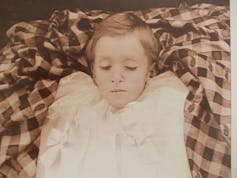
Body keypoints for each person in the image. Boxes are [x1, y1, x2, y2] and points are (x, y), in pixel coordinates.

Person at [36, 12, 192, 178]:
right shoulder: (77, 106)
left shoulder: (165, 102)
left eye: (130, 67)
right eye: (105, 67)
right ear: (93, 72)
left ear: (150, 71)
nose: (116, 77)